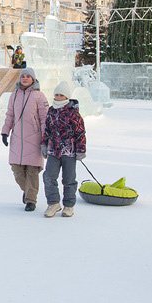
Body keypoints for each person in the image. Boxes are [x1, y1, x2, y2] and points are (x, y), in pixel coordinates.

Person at [1, 67, 49, 211]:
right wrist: (5, 132)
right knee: (17, 170)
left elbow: (45, 119)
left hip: (34, 138)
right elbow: (10, 115)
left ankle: (31, 200)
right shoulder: (14, 95)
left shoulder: (39, 96)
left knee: (32, 171)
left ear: (33, 79)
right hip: (17, 138)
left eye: (28, 76)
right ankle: (28, 191)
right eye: (23, 76)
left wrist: (45, 138)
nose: (25, 78)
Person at [41, 82, 86, 218]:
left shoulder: (73, 113)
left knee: (69, 179)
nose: (58, 97)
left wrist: (81, 150)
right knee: (48, 176)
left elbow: (80, 132)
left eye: (61, 95)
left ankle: (69, 205)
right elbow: (47, 129)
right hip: (53, 151)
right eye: (56, 95)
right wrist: (44, 144)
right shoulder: (51, 110)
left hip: (69, 151)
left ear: (66, 97)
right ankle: (53, 203)